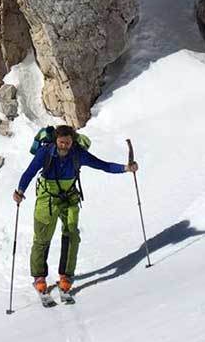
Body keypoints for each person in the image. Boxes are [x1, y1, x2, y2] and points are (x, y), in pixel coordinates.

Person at [12, 125, 137, 299]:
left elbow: (103, 165)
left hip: (69, 197)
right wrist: (20, 191)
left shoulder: (78, 154)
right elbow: (30, 172)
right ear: (56, 140)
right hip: (47, 198)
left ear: (72, 142)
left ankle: (66, 276)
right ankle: (39, 277)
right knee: (42, 237)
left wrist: (125, 168)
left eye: (68, 143)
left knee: (72, 235)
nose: (64, 146)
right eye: (61, 142)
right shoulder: (45, 153)